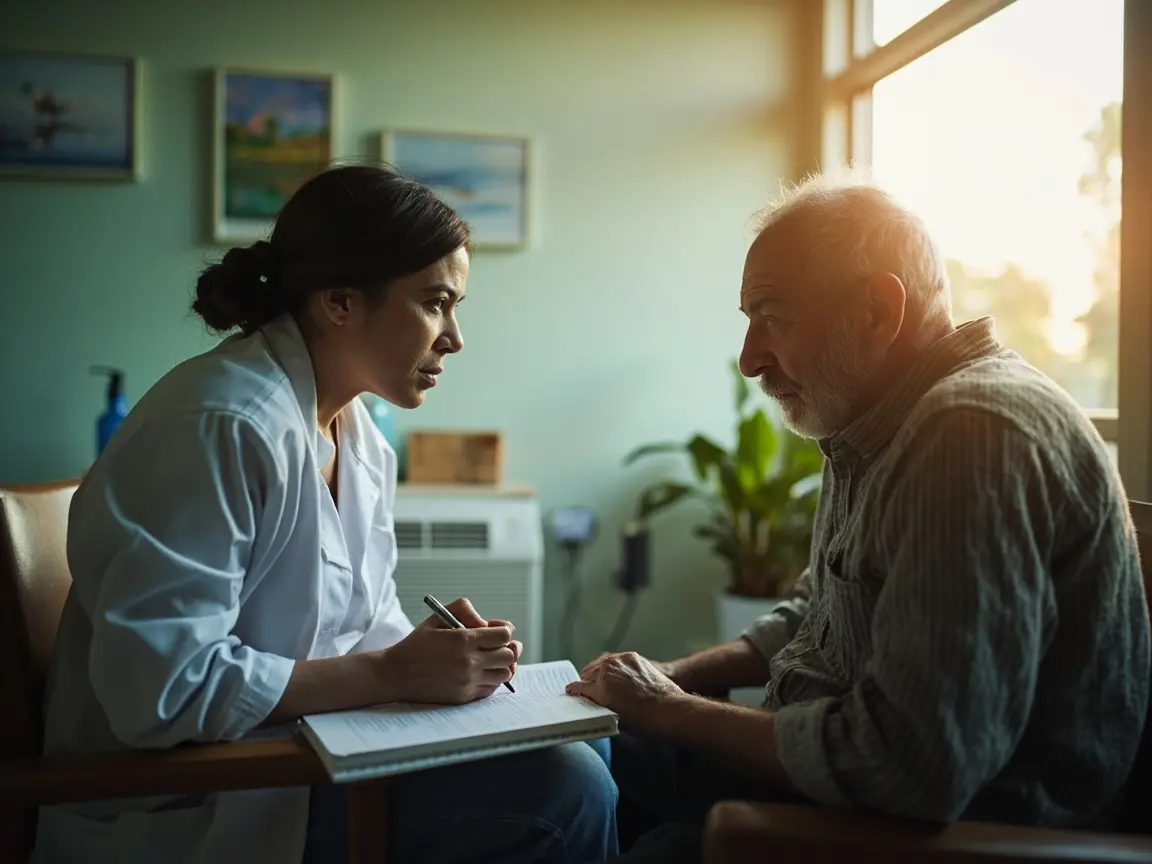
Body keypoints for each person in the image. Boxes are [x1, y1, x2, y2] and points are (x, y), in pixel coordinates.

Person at [33, 165, 617, 864]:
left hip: (299, 761)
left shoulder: (356, 429)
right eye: (435, 303)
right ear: (339, 302)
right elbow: (162, 691)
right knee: (563, 791)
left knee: (597, 745)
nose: (454, 337)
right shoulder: (220, 425)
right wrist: (393, 675)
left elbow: (359, 624)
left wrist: (439, 658)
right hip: (197, 799)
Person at [568, 176, 1151, 863]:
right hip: (827, 787)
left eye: (773, 317)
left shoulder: (970, 435)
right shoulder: (878, 418)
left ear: (878, 308)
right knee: (573, 749)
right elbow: (827, 607)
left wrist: (669, 711)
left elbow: (913, 765)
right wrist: (671, 676)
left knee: (582, 805)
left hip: (927, 835)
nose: (751, 358)